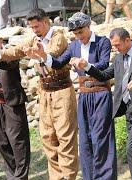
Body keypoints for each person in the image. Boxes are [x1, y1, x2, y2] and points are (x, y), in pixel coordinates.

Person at [0, 9, 78, 179]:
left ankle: (68, 177)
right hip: (44, 90)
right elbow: (14, 52)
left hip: (61, 90)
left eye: (37, 26)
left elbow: (52, 57)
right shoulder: (33, 38)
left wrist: (39, 53)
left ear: (46, 22)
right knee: (48, 138)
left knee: (65, 138)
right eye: (32, 27)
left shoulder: (57, 37)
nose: (35, 30)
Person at [27, 12, 117, 180]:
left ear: (89, 26)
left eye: (81, 32)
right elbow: (59, 62)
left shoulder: (102, 42)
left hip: (100, 94)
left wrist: (87, 65)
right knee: (85, 139)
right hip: (84, 95)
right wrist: (43, 56)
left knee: (101, 138)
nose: (79, 36)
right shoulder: (74, 46)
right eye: (75, 33)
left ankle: (105, 177)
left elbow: (104, 65)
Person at [71, 27, 132, 180]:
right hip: (128, 109)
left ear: (128, 40)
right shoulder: (119, 58)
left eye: (118, 45)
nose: (115, 48)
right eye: (113, 46)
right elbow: (104, 74)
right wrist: (86, 66)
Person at [0, 31, 31, 180]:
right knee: (2, 142)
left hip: (12, 104)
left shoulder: (10, 54)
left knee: (18, 143)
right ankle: (12, 176)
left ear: (1, 42)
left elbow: (6, 64)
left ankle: (21, 177)